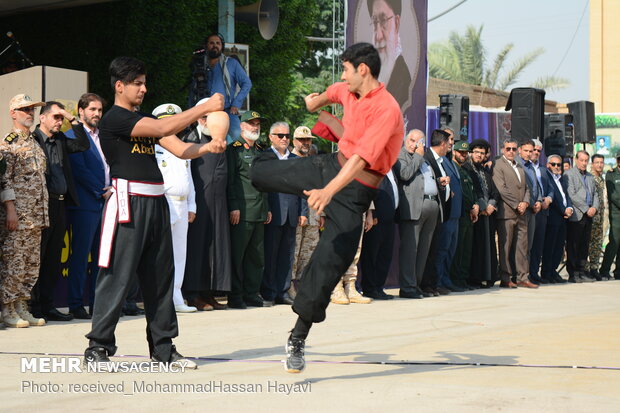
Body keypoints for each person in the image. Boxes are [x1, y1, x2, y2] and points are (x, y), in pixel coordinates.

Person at [250, 43, 403, 373]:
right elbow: (331, 93)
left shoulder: (387, 110)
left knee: (333, 259)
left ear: (363, 70)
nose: (342, 76)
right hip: (330, 167)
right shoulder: (349, 90)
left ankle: (297, 338)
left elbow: (362, 159)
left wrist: (327, 191)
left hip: (354, 191)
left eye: (346, 69)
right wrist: (314, 101)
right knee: (257, 172)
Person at [84, 56, 229, 368]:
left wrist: (207, 148)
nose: (143, 88)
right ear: (119, 86)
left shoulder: (145, 120)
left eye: (144, 82)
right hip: (128, 203)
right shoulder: (115, 119)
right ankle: (97, 348)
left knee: (160, 279)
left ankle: (163, 348)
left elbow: (179, 148)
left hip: (156, 202)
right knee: (116, 277)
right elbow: (165, 126)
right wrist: (204, 107)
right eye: (137, 83)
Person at [31, 101, 90, 322]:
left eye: (60, 118)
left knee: (54, 258)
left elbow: (83, 145)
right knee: (38, 257)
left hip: (61, 204)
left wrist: (72, 120)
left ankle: (47, 306)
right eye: (55, 117)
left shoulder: (62, 139)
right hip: (40, 206)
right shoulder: (32, 139)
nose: (59, 121)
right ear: (42, 118)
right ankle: (33, 306)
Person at [0, 94, 47, 328]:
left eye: (32, 109)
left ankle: (21, 306)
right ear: (13, 113)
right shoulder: (8, 142)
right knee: (14, 263)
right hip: (18, 216)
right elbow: (4, 179)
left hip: (36, 216)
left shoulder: (35, 143)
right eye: (24, 109)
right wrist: (10, 210)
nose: (30, 113)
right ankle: (7, 309)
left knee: (30, 264)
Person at [182, 100, 231, 311]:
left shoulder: (221, 141)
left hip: (219, 202)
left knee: (215, 247)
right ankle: (193, 293)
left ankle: (209, 292)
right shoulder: (191, 140)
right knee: (197, 248)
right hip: (198, 202)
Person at [66, 93, 110, 319]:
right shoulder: (71, 135)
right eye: (92, 109)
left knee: (102, 257)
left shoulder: (105, 136)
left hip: (107, 203)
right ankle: (75, 304)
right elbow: (78, 169)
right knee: (81, 256)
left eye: (100, 110)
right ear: (80, 111)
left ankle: (97, 304)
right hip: (85, 203)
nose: (97, 114)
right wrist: (101, 190)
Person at [152, 103, 198, 313]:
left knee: (180, 252)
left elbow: (189, 179)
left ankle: (177, 296)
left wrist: (192, 204)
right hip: (164, 202)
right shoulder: (154, 147)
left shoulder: (183, 146)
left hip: (181, 203)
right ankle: (160, 298)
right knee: (162, 253)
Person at [226, 111, 272, 309]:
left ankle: (252, 294)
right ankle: (236, 296)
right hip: (242, 210)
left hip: (259, 210)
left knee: (256, 256)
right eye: (251, 124)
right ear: (242, 126)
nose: (255, 127)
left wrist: (267, 208)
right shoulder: (234, 149)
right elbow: (231, 181)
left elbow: (264, 181)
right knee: (238, 256)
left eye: (257, 124)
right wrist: (233, 206)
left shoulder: (261, 150)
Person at [261, 121, 304, 306]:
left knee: (287, 255)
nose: (284, 139)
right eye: (280, 136)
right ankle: (269, 292)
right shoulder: (264, 157)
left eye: (287, 136)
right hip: (273, 213)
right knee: (270, 254)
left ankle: (283, 291)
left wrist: (303, 211)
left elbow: (302, 188)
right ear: (271, 137)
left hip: (292, 212)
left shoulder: (295, 159)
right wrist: (265, 209)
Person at [394, 129, 436, 299]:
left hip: (430, 205)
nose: (413, 145)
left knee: (423, 251)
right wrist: (418, 156)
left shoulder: (423, 159)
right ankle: (407, 287)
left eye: (417, 142)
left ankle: (416, 284)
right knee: (410, 251)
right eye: (411, 140)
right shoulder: (401, 155)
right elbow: (404, 174)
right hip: (412, 209)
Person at [492, 138, 535, 288]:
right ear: (503, 149)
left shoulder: (520, 166)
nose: (511, 151)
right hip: (507, 212)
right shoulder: (498, 165)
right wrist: (517, 204)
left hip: (522, 213)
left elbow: (527, 188)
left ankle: (523, 277)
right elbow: (501, 189)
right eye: (508, 149)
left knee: (522, 247)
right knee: (505, 247)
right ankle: (506, 278)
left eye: (514, 149)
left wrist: (526, 202)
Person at [289, 126, 323, 299]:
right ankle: (289, 286)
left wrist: (321, 213)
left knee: (309, 253)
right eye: (301, 140)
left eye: (308, 140)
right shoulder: (289, 160)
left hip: (313, 214)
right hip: (296, 214)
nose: (305, 143)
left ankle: (304, 286)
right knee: (294, 252)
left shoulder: (313, 162)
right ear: (294, 141)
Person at [199, 34, 251, 143]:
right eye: (211, 43)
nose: (215, 46)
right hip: (203, 112)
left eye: (218, 43)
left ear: (222, 46)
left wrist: (236, 103)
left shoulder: (231, 63)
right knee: (202, 142)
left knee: (237, 139)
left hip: (226, 111)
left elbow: (247, 83)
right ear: (206, 46)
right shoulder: (200, 65)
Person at [463, 139, 499, 288]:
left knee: (487, 247)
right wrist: (483, 207)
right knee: (476, 248)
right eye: (476, 152)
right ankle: (475, 279)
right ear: (471, 153)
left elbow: (495, 192)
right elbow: (474, 192)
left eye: (482, 153)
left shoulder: (484, 171)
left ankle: (487, 277)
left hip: (488, 214)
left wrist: (491, 205)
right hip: (475, 214)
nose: (479, 155)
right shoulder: (467, 168)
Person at [361, 167, 399, 300]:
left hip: (391, 218)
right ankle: (369, 288)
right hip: (377, 219)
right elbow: (370, 190)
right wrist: (373, 213)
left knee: (385, 255)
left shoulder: (392, 169)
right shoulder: (374, 167)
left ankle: (379, 287)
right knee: (372, 254)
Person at [367, 0, 411, 111]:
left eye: (383, 20)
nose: (378, 36)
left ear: (396, 23)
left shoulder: (404, 80)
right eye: (374, 22)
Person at [435, 128, 464, 293]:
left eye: (452, 139)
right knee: (442, 249)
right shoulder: (440, 160)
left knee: (450, 250)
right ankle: (438, 281)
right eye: (449, 139)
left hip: (456, 213)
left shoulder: (450, 160)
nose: (451, 142)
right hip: (446, 213)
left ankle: (446, 279)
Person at [564, 151, 599, 283]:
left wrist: (594, 208)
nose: (584, 163)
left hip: (589, 215)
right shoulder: (569, 174)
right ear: (576, 160)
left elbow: (595, 194)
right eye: (582, 160)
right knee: (573, 245)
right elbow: (571, 194)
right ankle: (573, 273)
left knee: (584, 245)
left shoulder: (590, 177)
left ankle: (581, 270)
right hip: (577, 215)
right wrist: (586, 208)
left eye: (586, 161)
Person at [449, 140, 479, 290]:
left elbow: (471, 192)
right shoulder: (453, 168)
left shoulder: (465, 170)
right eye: (461, 152)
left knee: (466, 250)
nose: (463, 155)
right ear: (454, 152)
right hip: (461, 213)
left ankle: (463, 279)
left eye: (466, 153)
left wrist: (475, 206)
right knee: (458, 249)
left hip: (469, 215)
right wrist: (471, 206)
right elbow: (461, 194)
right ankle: (455, 280)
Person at [541, 154, 572, 283]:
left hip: (564, 217)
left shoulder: (562, 179)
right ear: (548, 165)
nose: (556, 167)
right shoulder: (546, 177)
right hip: (553, 216)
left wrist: (570, 207)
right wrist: (563, 209)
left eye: (558, 165)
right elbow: (553, 198)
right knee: (550, 246)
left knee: (559, 247)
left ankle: (553, 271)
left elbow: (566, 196)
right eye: (553, 164)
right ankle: (546, 273)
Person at [527, 139, 554, 285]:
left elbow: (550, 188)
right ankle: (526, 274)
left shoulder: (543, 169)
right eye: (534, 150)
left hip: (543, 211)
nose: (536, 153)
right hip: (530, 209)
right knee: (528, 244)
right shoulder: (523, 166)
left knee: (538, 244)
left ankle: (534, 272)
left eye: (538, 151)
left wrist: (549, 199)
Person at [585, 154, 606, 281]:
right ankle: (586, 269)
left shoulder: (602, 179)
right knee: (588, 243)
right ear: (592, 164)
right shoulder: (589, 178)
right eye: (597, 162)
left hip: (600, 217)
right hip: (591, 215)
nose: (599, 165)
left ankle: (594, 268)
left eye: (601, 162)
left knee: (597, 244)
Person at [600, 152, 620, 280]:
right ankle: (604, 269)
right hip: (617, 213)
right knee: (615, 241)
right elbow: (613, 195)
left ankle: (618, 271)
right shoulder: (611, 174)